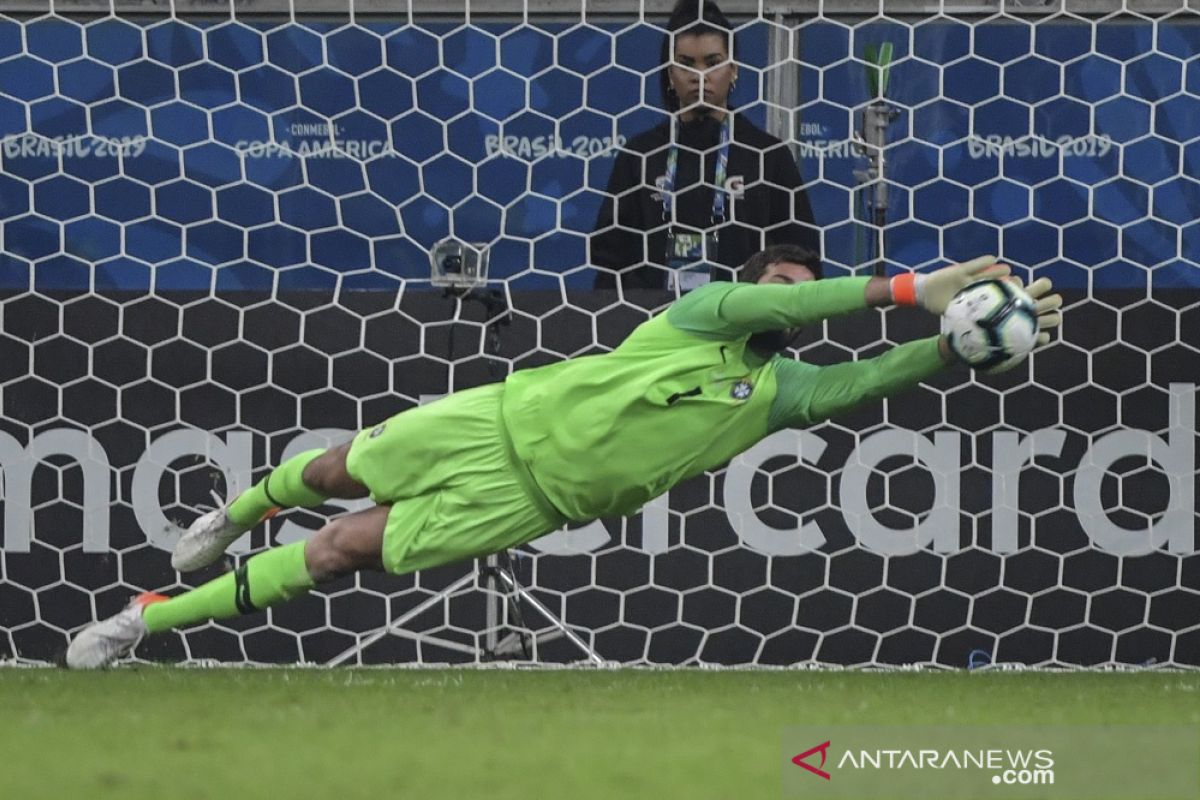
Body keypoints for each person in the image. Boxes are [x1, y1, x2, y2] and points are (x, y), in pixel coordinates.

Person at [66, 247, 1062, 668]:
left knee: (339, 555)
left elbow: (863, 383)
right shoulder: (707, 310)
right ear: (759, 284)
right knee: (330, 474)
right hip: (494, 418)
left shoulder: (778, 392)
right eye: (787, 277)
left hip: (529, 499)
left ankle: (144, 617)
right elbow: (793, 302)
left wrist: (951, 345)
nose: (792, 292)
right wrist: (902, 287)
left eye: (806, 281)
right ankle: (238, 512)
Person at [591, 0, 820, 292]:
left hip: (742, 322)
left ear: (734, 69)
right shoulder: (641, 155)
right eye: (686, 64)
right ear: (670, 74)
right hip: (656, 323)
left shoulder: (767, 155)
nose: (699, 76)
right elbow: (609, 256)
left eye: (713, 63)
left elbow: (801, 254)